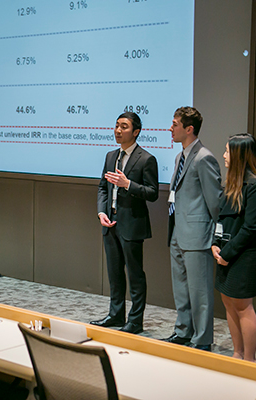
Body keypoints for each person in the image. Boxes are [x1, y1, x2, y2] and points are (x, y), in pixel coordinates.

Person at [91, 112, 159, 334]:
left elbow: (152, 193)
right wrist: (102, 212)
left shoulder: (146, 159)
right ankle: (115, 315)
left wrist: (128, 184)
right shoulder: (111, 156)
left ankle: (135, 321)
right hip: (110, 223)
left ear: (136, 131)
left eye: (124, 127)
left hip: (132, 225)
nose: (118, 131)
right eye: (116, 126)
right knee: (114, 273)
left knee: (135, 275)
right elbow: (103, 187)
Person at [163, 106, 222, 351]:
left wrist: (215, 237)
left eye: (175, 124)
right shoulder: (180, 157)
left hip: (198, 235)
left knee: (200, 293)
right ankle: (183, 331)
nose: (170, 128)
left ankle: (202, 339)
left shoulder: (204, 157)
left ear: (189, 129)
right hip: (178, 231)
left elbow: (216, 203)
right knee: (181, 289)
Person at [211, 133, 256, 362]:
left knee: (243, 306)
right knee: (228, 301)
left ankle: (250, 359)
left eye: (227, 151)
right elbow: (222, 219)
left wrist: (226, 253)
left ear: (239, 155)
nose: (224, 155)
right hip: (226, 252)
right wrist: (216, 244)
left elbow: (250, 229)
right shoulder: (231, 184)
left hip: (244, 254)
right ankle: (238, 353)